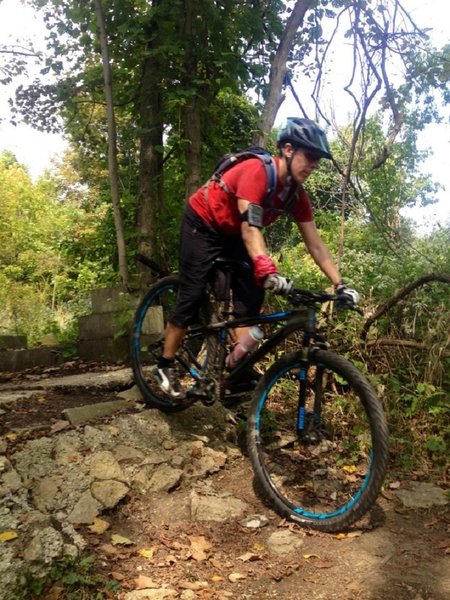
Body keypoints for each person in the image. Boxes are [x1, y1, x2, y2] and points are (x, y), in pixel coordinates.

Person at [152, 117, 359, 399]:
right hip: (203, 224)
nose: (312, 166)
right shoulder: (256, 172)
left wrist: (339, 285)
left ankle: (235, 369)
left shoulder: (296, 195)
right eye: (309, 157)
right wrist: (266, 267)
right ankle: (165, 364)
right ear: (288, 149)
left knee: (250, 299)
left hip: (234, 235)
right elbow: (251, 228)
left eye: (316, 162)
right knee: (192, 292)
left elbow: (316, 245)